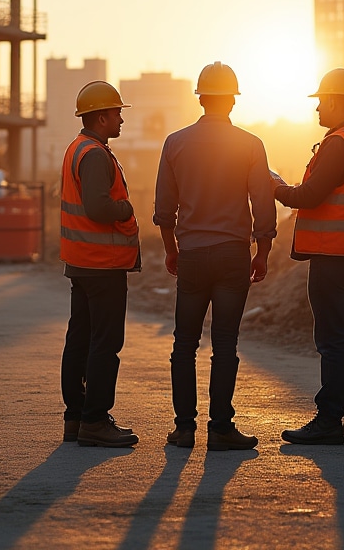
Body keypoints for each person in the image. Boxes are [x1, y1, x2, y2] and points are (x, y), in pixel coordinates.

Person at [153, 62, 277, 451]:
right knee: (225, 343)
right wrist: (263, 252)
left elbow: (163, 208)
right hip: (232, 257)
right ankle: (221, 428)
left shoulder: (175, 143)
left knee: (184, 343)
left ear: (202, 98)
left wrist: (172, 250)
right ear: (232, 101)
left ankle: (185, 429)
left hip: (191, 254)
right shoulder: (250, 144)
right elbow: (264, 203)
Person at [273, 68, 344, 446]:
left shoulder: (338, 144)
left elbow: (309, 196)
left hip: (333, 255)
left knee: (332, 339)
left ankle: (328, 419)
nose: (317, 108)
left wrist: (276, 186)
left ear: (335, 101)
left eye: (321, 100)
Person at [59, 80, 141, 448]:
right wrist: (126, 208)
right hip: (102, 264)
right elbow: (99, 207)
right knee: (105, 342)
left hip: (82, 262)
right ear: (102, 116)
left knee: (80, 338)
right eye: (118, 113)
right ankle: (94, 419)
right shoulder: (93, 154)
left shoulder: (78, 149)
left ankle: (76, 418)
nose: (121, 119)